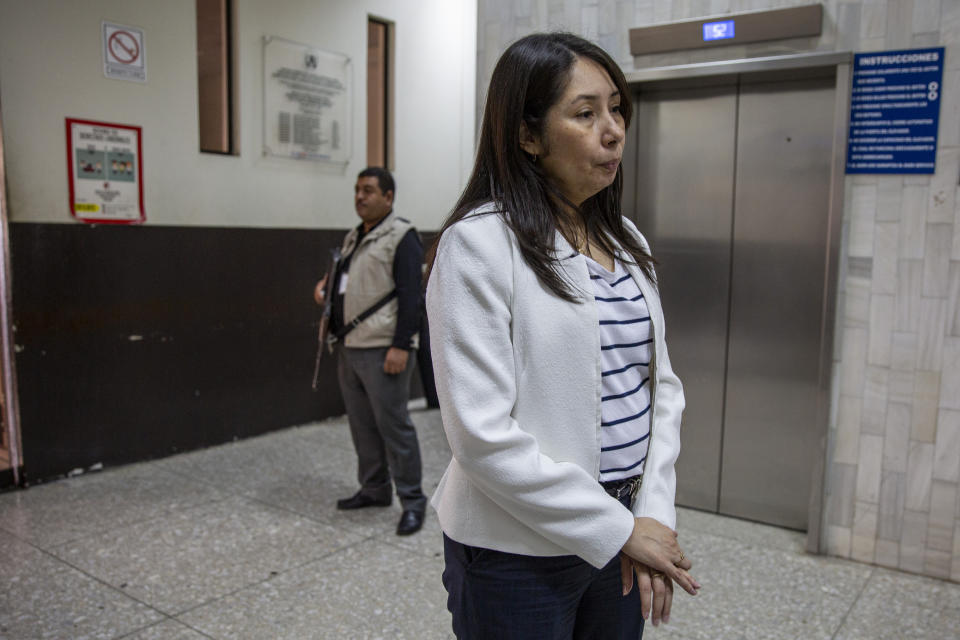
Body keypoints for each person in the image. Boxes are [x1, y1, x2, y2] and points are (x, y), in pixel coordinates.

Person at [425, 33, 698, 638]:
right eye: (585, 113)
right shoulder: (479, 244)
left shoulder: (627, 241)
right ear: (527, 135)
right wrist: (618, 527)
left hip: (624, 531)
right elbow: (481, 435)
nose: (613, 130)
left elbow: (662, 389)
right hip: (518, 550)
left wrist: (650, 513)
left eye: (616, 108)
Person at [314, 167, 427, 536]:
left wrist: (401, 345)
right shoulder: (354, 237)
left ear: (388, 197)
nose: (360, 197)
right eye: (357, 190)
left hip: (384, 349)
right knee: (362, 425)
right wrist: (326, 289)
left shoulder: (402, 237)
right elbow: (350, 281)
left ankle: (413, 501)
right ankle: (374, 489)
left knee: (395, 427)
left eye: (369, 191)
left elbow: (413, 297)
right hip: (350, 345)